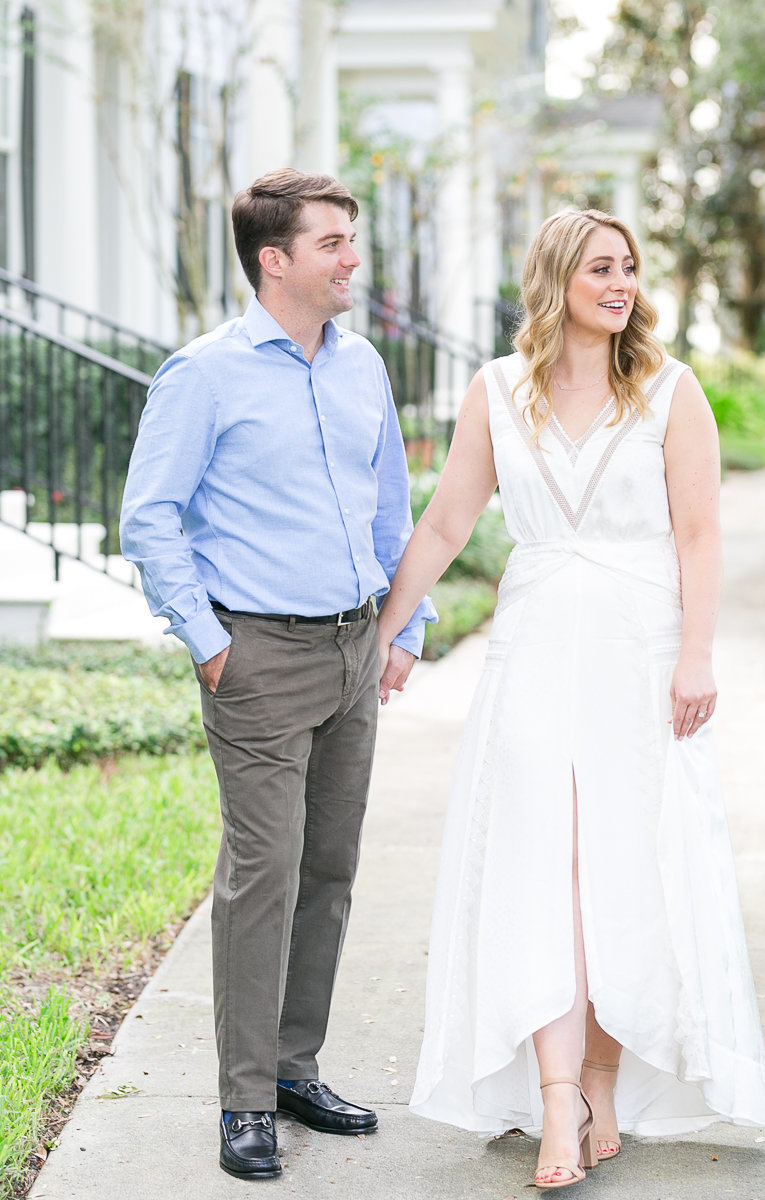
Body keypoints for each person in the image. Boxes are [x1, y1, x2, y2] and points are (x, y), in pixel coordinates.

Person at [376, 209, 765, 1190]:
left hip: (640, 656)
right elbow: (444, 521)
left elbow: (697, 537)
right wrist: (386, 627)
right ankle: (556, 1098)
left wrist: (694, 655)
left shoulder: (670, 391)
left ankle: (600, 1083)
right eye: (600, 267)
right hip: (533, 648)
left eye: (629, 269)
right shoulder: (494, 391)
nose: (620, 284)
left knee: (621, 871)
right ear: (553, 277)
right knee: (539, 869)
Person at [120, 167, 434, 1181]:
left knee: (329, 874)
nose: (353, 258)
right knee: (263, 876)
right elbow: (149, 518)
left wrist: (403, 626)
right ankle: (244, 1100)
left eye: (351, 238)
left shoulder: (362, 370)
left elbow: (389, 508)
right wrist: (209, 641)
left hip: (353, 650)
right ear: (276, 260)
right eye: (333, 242)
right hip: (255, 656)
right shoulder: (202, 375)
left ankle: (295, 1067)